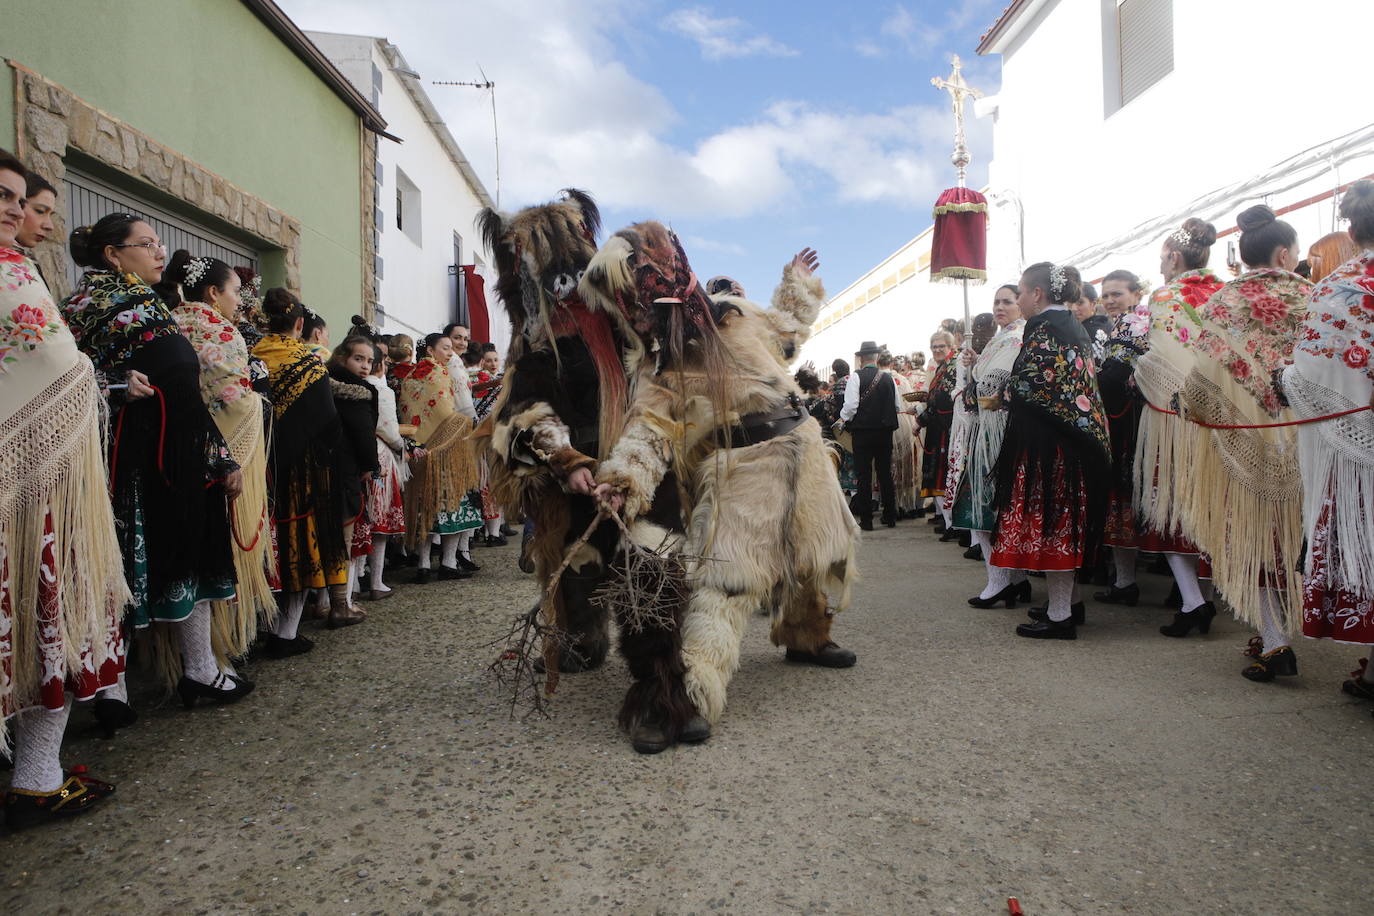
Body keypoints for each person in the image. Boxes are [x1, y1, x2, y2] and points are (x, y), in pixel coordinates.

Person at [586, 226, 857, 750]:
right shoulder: (661, 364)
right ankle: (689, 697)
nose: (636, 314)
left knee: (817, 556)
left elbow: (789, 331)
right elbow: (650, 430)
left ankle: (807, 636)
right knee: (729, 583)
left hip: (804, 450)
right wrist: (623, 480)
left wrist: (797, 285)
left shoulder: (736, 314)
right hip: (745, 467)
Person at [62, 213, 250, 711]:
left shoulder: (148, 302)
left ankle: (198, 670)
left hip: (179, 451)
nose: (159, 252)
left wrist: (217, 455)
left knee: (185, 555)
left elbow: (186, 386)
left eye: (158, 243)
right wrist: (115, 385)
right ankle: (112, 687)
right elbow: (65, 379)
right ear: (113, 254)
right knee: (120, 565)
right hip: (127, 454)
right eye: (146, 244)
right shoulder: (82, 307)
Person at [1, 150, 127, 830]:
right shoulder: (12, 271)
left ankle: (37, 774)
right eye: (10, 198)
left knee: (38, 617)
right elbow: (53, 365)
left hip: (38, 481)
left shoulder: (18, 267)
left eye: (19, 199)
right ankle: (35, 778)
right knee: (39, 610)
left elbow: (58, 363)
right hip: (30, 487)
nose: (18, 211)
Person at [1177, 205, 1312, 680]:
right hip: (1307, 436)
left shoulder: (1223, 301)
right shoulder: (1310, 296)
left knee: (1253, 537)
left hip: (1245, 436)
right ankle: (1284, 630)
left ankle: (1275, 639)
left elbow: (1201, 377)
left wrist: (1189, 406)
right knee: (1295, 538)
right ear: (1284, 253)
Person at [1282, 180, 1374, 701]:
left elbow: (1309, 376)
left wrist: (1284, 380)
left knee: (1369, 544)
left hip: (1358, 453)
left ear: (1352, 231)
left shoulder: (1339, 289)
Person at [166, 250, 276, 670]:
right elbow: (236, 400)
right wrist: (259, 408)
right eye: (234, 291)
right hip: (226, 455)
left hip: (175, 452)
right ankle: (226, 646)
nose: (238, 301)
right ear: (213, 293)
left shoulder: (169, 321)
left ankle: (188, 653)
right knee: (228, 548)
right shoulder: (222, 331)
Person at [990, 263, 1110, 640]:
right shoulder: (1070, 324)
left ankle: (1060, 616)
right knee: (1064, 523)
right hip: (1071, 442)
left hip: (1052, 447)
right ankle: (1070, 604)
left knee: (1054, 526)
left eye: (1021, 293)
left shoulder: (1044, 327)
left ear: (1037, 294)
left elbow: (1034, 385)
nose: (1020, 300)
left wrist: (1004, 392)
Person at [1132, 218, 1225, 636]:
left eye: (1161, 258)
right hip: (1222, 416)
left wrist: (1138, 370)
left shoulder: (1166, 296)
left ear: (1173, 257)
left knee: (1171, 508)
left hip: (1175, 418)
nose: (1159, 266)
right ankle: (1203, 597)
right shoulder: (1223, 292)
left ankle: (1193, 601)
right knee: (1210, 507)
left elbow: (1161, 360)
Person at [253, 287, 362, 641]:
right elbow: (327, 420)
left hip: (258, 465)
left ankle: (260, 626)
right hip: (302, 471)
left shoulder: (252, 353)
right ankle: (286, 632)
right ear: (300, 324)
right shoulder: (309, 362)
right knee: (300, 542)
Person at [959, 286, 1030, 607]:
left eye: (1007, 302)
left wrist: (975, 383)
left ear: (1021, 304)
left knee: (989, 505)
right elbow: (984, 379)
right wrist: (977, 365)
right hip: (991, 426)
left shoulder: (1016, 337)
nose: (1000, 307)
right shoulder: (1002, 339)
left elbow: (989, 385)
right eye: (996, 302)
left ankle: (1000, 580)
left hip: (998, 429)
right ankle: (1013, 579)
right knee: (995, 506)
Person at [396, 332, 482, 581]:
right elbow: (452, 412)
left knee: (425, 506)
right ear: (430, 351)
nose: (450, 352)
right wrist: (465, 424)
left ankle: (423, 564)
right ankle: (448, 562)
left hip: (418, 449)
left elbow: (407, 410)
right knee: (450, 504)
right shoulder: (443, 373)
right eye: (445, 348)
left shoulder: (410, 376)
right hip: (446, 450)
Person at [1092, 269, 1150, 607]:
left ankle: (1126, 581)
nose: (1111, 300)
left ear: (1136, 294)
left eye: (1117, 294)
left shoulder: (1133, 322)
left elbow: (1114, 377)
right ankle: (1125, 580)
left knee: (1123, 496)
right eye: (1106, 295)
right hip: (1129, 419)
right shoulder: (1123, 323)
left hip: (1129, 423)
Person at [326, 337, 382, 604]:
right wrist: (371, 465)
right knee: (344, 537)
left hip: (320, 467)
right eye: (358, 359)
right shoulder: (358, 393)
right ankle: (341, 603)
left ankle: (323, 602)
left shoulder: (321, 383)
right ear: (342, 358)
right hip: (346, 469)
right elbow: (363, 434)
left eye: (369, 361)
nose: (365, 366)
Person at [362, 341, 408, 600]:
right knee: (378, 522)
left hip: (356, 455)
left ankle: (353, 583)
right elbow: (389, 429)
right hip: (379, 454)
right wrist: (403, 447)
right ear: (380, 364)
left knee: (360, 522)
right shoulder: (382, 390)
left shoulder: (349, 384)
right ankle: (376, 581)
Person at [839, 341, 899, 530]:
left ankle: (866, 520)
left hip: (863, 432)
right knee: (885, 474)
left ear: (861, 358)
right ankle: (890, 516)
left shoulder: (856, 377)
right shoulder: (888, 378)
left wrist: (842, 418)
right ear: (877, 357)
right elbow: (897, 405)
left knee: (863, 476)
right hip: (884, 431)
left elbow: (851, 406)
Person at [917, 331, 958, 528]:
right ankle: (943, 516)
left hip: (945, 427)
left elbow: (940, 400)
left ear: (951, 346)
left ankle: (950, 523)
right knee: (938, 473)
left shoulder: (951, 366)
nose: (937, 350)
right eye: (934, 347)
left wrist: (920, 420)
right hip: (939, 426)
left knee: (943, 473)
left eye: (942, 346)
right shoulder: (943, 367)